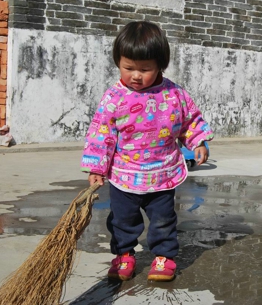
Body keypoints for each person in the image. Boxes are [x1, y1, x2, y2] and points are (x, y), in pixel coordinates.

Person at [81, 21, 214, 282]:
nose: (136, 76)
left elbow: (189, 120)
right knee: (122, 221)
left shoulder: (174, 94)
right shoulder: (114, 98)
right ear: (118, 62)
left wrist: (197, 141)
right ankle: (123, 255)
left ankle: (164, 257)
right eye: (128, 67)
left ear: (160, 65)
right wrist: (97, 167)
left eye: (145, 69)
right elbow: (101, 133)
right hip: (124, 176)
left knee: (164, 220)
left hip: (162, 174)